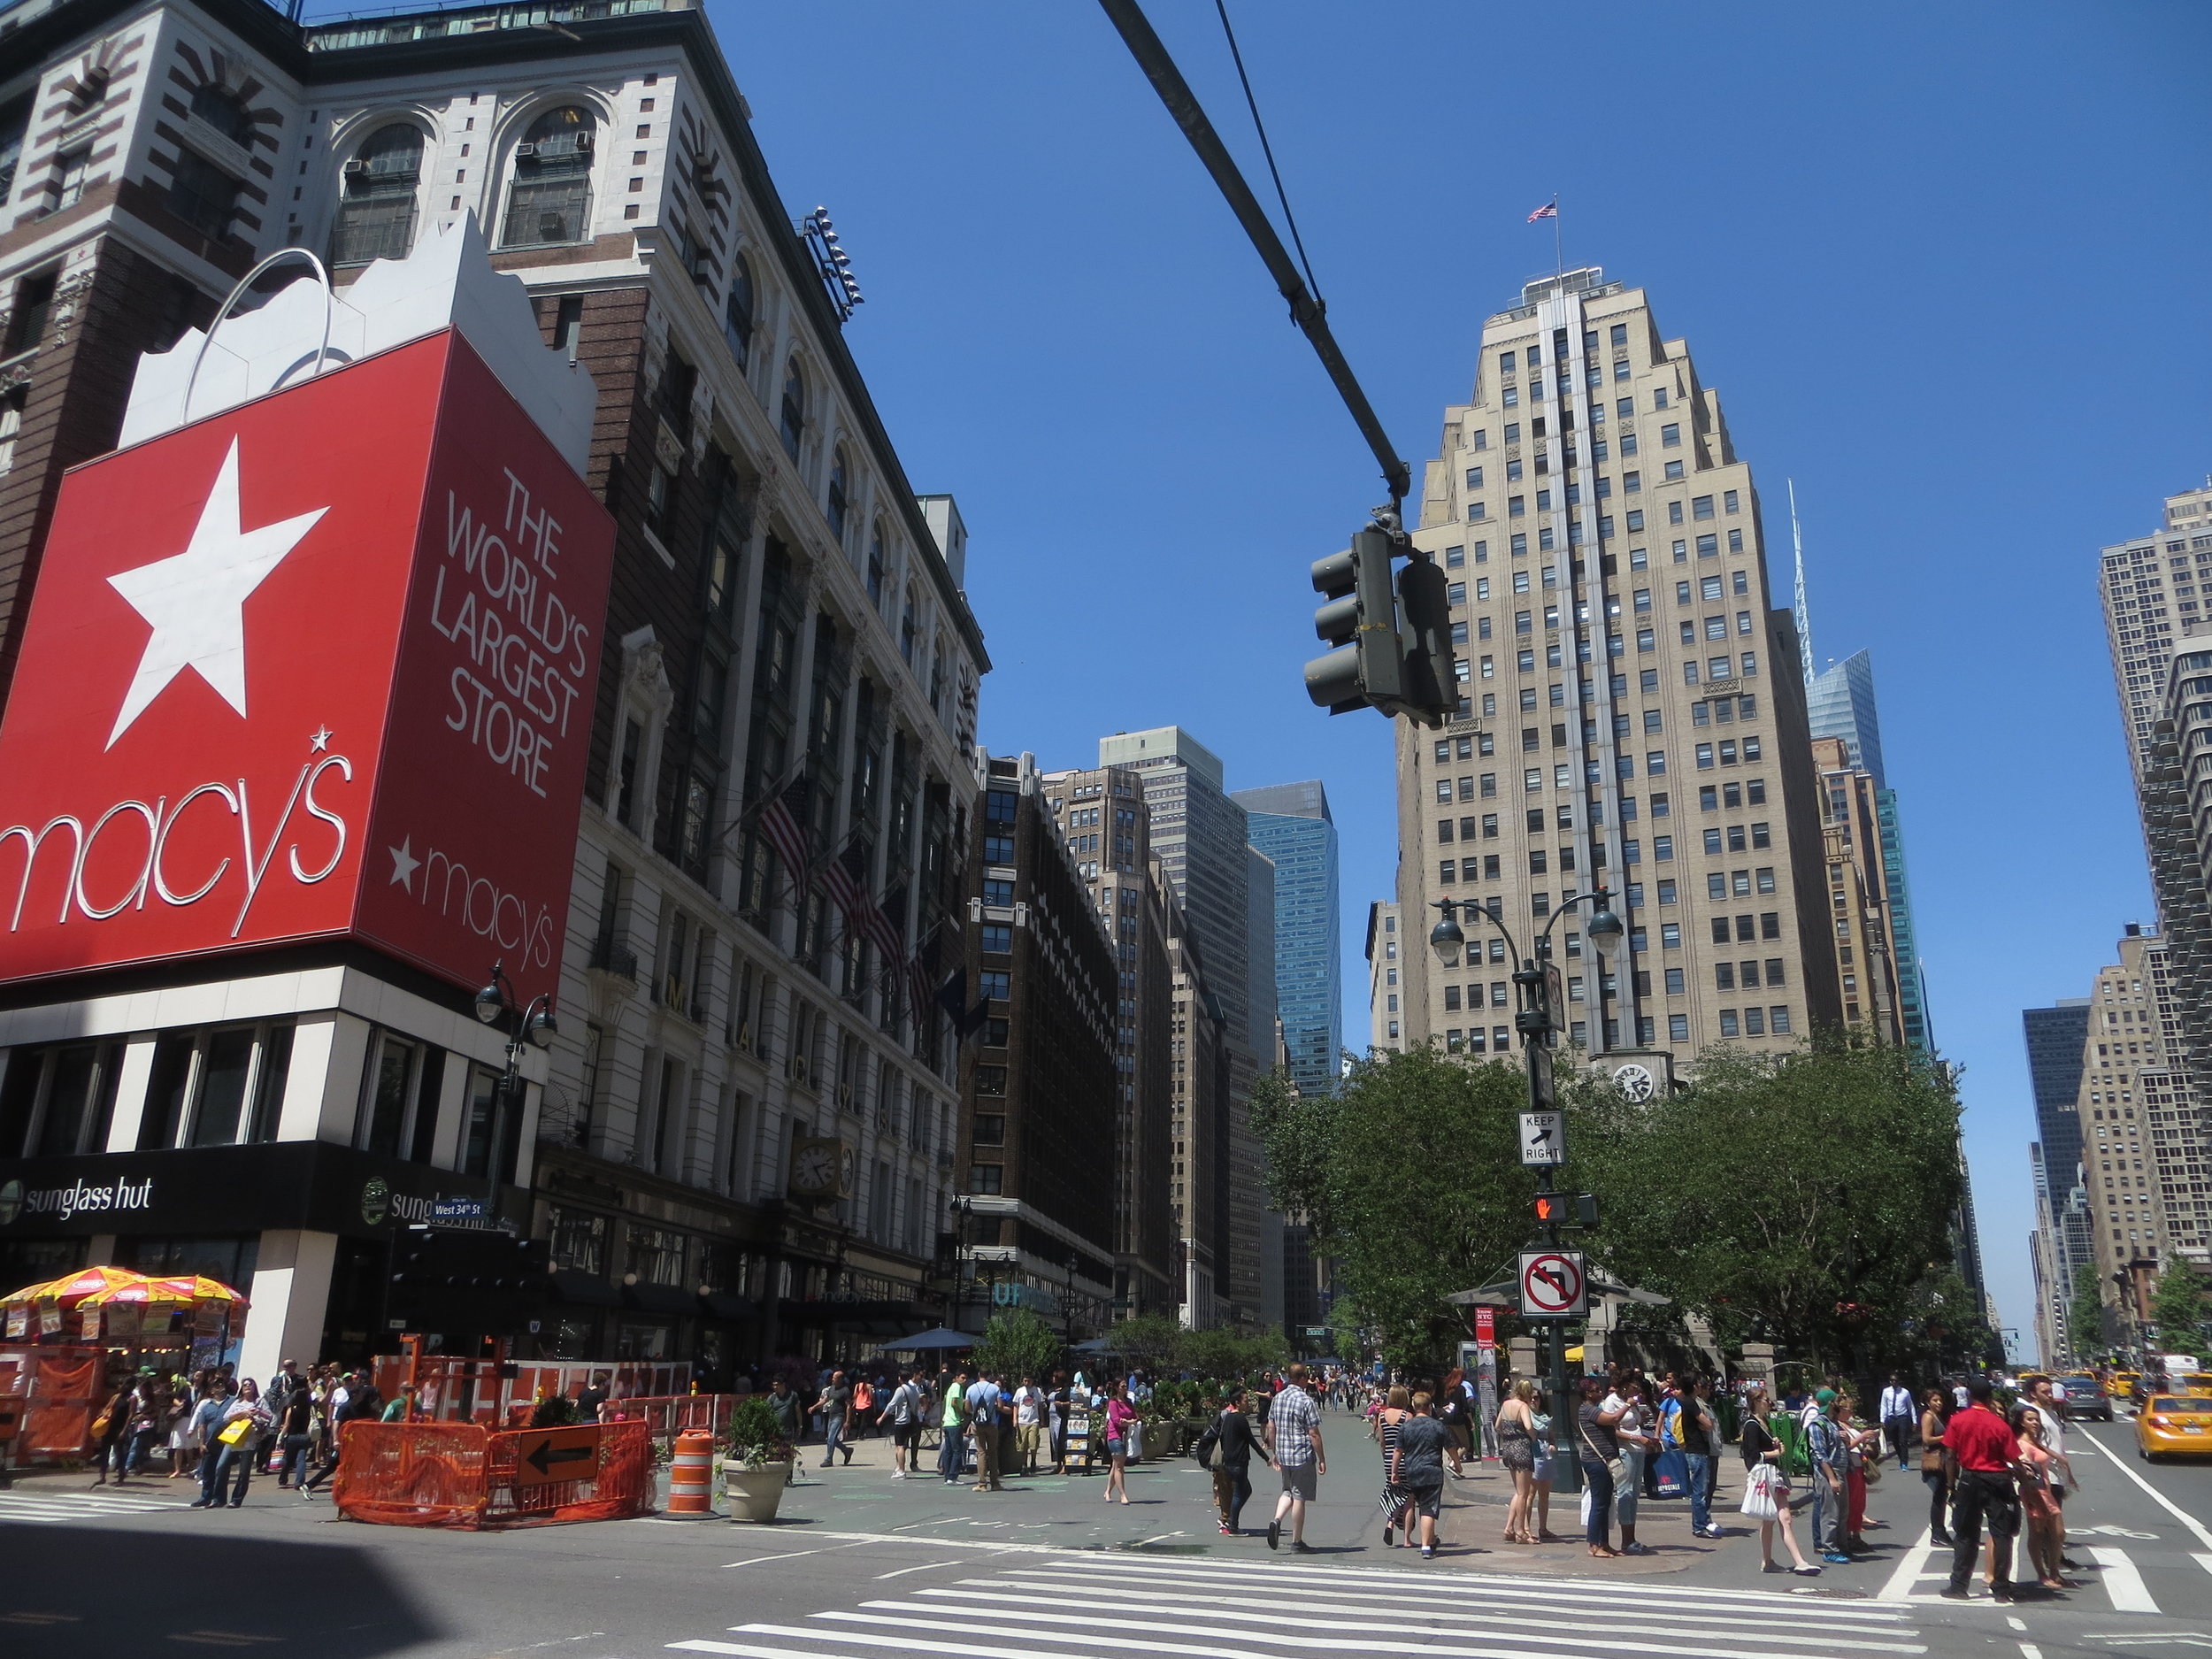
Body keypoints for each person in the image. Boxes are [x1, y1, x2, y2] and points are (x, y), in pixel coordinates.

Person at [1940, 1378, 2023, 1601]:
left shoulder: (1958, 1420)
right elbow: (2014, 1458)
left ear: (1969, 1396)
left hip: (1969, 1479)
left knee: (1966, 1533)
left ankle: (1958, 1586)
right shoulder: (1999, 1424)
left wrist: (1951, 1485)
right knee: (2001, 1534)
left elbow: (1950, 1454)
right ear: (1990, 1398)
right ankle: (2001, 1588)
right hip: (1997, 1480)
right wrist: (2024, 1481)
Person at [1740, 1384, 1818, 1575]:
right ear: (1756, 1402)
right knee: (1777, 1518)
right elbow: (1750, 1455)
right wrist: (1775, 1452)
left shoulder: (1762, 1422)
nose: (1770, 1403)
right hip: (1766, 1476)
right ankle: (1795, 1561)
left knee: (1779, 1518)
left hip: (1773, 1476)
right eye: (1766, 1400)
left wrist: (1774, 1445)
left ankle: (1771, 1561)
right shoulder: (1752, 1425)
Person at [1263, 1363, 1325, 1554]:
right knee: (1300, 1497)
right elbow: (1313, 1433)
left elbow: (1271, 1428)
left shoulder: (1278, 1398)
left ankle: (1277, 1519)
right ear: (1301, 1378)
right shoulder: (1306, 1401)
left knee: (1287, 1491)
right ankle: (1297, 1541)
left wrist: (1275, 1452)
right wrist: (1321, 1458)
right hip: (1301, 1453)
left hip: (1283, 1453)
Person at [2023, 1374, 2081, 1571]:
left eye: (2050, 1391)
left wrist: (2069, 1472)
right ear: (2033, 1394)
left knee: (2053, 1523)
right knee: (2051, 1526)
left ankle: (2055, 1558)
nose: (2050, 1395)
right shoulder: (2033, 1414)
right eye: (2044, 1392)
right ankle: (2051, 1561)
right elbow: (2031, 1442)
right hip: (2046, 1475)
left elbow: (2059, 1445)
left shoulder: (2052, 1414)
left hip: (2058, 1474)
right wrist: (2054, 1457)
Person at [2011, 1405, 2072, 1592]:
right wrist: (2031, 1497)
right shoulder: (2023, 1444)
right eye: (2030, 1419)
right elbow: (2024, 1472)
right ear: (2022, 1422)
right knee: (2037, 1534)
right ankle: (2043, 1574)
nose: (2035, 1423)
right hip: (2035, 1492)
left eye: (2036, 1419)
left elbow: (2046, 1453)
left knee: (2058, 1533)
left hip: (2046, 1490)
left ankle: (2054, 1572)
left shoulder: (2034, 1441)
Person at [1391, 1392, 1452, 1559]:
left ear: (1414, 1405)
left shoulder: (1407, 1426)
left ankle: (1431, 1539)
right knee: (1428, 1510)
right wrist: (1457, 1463)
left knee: (1423, 1507)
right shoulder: (1438, 1426)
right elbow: (1451, 1446)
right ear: (1429, 1406)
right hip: (1432, 1471)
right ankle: (1426, 1547)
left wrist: (1394, 1472)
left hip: (1412, 1471)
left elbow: (1398, 1450)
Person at [1575, 1376, 1624, 1559]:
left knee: (1605, 1504)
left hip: (1605, 1461)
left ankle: (1604, 1543)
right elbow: (1613, 1418)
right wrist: (1628, 1404)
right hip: (1596, 1462)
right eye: (1596, 1390)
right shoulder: (1588, 1410)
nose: (1600, 1392)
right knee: (1599, 1504)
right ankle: (1594, 1545)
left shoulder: (1593, 1409)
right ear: (1588, 1393)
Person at [1205, 1385, 1264, 1535]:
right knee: (1238, 1493)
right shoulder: (1238, 1418)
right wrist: (1266, 1458)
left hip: (1228, 1461)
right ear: (1237, 1402)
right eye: (1245, 1400)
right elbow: (1251, 1440)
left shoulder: (1228, 1417)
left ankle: (1230, 1519)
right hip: (1238, 1462)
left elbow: (1224, 1438)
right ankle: (1231, 1523)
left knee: (1245, 1490)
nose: (1248, 1403)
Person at [1804, 1388, 1852, 1564]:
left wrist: (1846, 1440)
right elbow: (1820, 1454)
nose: (1840, 1403)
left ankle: (1842, 1546)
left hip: (1841, 1471)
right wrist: (1831, 1478)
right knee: (1830, 1514)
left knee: (1843, 1513)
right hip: (1828, 1474)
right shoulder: (1818, 1424)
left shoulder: (1834, 1422)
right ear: (1831, 1403)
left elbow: (1840, 1447)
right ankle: (1829, 1549)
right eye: (1837, 1400)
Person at [210, 1379, 273, 1508]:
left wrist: (258, 1412)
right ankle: (218, 1498)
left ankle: (236, 1500)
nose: (248, 1386)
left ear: (255, 1387)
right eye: (245, 1385)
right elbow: (226, 1417)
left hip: (249, 1439)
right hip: (234, 1437)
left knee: (244, 1472)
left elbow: (270, 1417)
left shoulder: (259, 1401)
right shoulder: (237, 1402)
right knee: (221, 1466)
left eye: (250, 1384)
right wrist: (241, 1413)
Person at [1609, 1377, 1655, 1555]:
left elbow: (1633, 1423)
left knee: (1635, 1493)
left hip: (1638, 1450)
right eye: (1634, 1387)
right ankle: (1625, 1539)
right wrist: (1637, 1438)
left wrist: (1640, 1419)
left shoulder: (1632, 1402)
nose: (1637, 1392)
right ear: (1624, 1386)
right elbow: (1613, 1429)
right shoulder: (1613, 1402)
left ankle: (1631, 1538)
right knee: (1625, 1492)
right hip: (1624, 1451)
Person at [1676, 1375, 1724, 1540]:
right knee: (1699, 1491)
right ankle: (1699, 1526)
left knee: (1701, 1489)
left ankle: (1702, 1523)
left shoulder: (1691, 1402)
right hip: (1696, 1450)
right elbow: (1708, 1424)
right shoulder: (1690, 1403)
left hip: (1698, 1450)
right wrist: (1703, 1424)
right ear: (1694, 1386)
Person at [1495, 1379, 1540, 1544]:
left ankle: (1509, 1527)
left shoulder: (1506, 1404)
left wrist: (1508, 1434)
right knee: (1524, 1493)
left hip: (1508, 1448)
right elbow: (1528, 1426)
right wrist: (1533, 1437)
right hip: (1521, 1448)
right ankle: (1521, 1531)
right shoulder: (1523, 1406)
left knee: (1518, 1491)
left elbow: (1497, 1426)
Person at [1375, 1386, 1414, 1548]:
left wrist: (1386, 1457)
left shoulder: (1382, 1415)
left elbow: (1382, 1442)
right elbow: (1411, 1441)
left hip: (1389, 1459)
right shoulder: (1408, 1416)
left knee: (1394, 1493)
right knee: (1409, 1498)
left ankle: (1390, 1523)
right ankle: (1407, 1539)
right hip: (1405, 1458)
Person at [1920, 1387, 1955, 1548]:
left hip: (1944, 1461)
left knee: (1942, 1497)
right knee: (1939, 1498)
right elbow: (1926, 1439)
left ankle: (1940, 1531)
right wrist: (1946, 1436)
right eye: (1935, 1400)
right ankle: (1937, 1532)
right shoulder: (1928, 1416)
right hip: (1934, 1463)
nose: (1939, 1403)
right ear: (1928, 1402)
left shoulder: (1940, 1416)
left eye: (1940, 1400)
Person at [879, 1366, 923, 1479]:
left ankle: (901, 1470)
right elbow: (917, 1405)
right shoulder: (914, 1389)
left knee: (900, 1447)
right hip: (911, 1420)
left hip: (902, 1420)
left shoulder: (901, 1390)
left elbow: (891, 1405)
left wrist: (882, 1417)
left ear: (900, 1378)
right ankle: (898, 1467)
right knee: (902, 1445)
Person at [966, 1367, 1003, 1492]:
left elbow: (967, 1407)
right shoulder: (994, 1388)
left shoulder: (971, 1389)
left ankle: (982, 1483)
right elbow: (1001, 1406)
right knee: (993, 1452)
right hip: (991, 1423)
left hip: (977, 1424)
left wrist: (975, 1412)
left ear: (978, 1374)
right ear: (989, 1375)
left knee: (981, 1452)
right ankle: (995, 1483)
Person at [274, 1373, 315, 1487]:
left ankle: (283, 1478)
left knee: (288, 1458)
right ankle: (299, 1481)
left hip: (292, 1436)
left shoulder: (292, 1408)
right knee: (301, 1459)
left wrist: (280, 1437)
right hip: (304, 1435)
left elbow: (287, 1424)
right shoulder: (308, 1405)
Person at [1102, 1379, 1136, 1504]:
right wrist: (1129, 1422)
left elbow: (1134, 1416)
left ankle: (1107, 1491)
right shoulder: (1113, 1403)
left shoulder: (1128, 1402)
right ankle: (1123, 1495)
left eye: (1126, 1386)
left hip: (1125, 1436)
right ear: (1117, 1388)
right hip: (1114, 1436)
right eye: (1122, 1386)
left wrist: (1129, 1421)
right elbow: (1117, 1420)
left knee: (1116, 1465)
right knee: (1120, 1467)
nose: (1125, 1388)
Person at [814, 1371, 854, 1468]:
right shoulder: (832, 1389)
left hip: (839, 1416)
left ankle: (828, 1459)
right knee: (832, 1439)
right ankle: (847, 1451)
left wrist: (848, 1421)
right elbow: (825, 1399)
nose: (832, 1379)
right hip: (831, 1416)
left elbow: (849, 1406)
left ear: (841, 1379)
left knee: (831, 1437)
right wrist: (814, 1407)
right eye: (833, 1377)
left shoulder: (845, 1391)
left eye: (835, 1378)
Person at [937, 1367, 971, 1484]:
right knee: (957, 1451)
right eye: (962, 1378)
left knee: (949, 1451)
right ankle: (953, 1476)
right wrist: (962, 1414)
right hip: (954, 1422)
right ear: (956, 1378)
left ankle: (947, 1476)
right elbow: (954, 1402)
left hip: (947, 1422)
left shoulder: (950, 1388)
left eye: (966, 1378)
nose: (964, 1380)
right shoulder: (957, 1387)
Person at [1879, 1374, 1916, 1471]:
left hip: (1902, 1417)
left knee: (1903, 1440)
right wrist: (1882, 1420)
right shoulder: (1886, 1392)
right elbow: (1884, 1406)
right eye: (1892, 1381)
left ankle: (1904, 1463)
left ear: (1899, 1381)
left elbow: (1910, 1406)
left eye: (1895, 1381)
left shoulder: (1905, 1392)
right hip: (1891, 1418)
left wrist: (1914, 1421)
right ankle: (1901, 1458)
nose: (1894, 1382)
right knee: (1894, 1440)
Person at [1013, 1375, 1044, 1475]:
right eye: (1025, 1381)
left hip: (1033, 1420)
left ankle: (1033, 1461)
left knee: (1033, 1443)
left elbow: (1040, 1406)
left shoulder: (1037, 1391)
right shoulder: (1020, 1391)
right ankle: (1024, 1464)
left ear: (1032, 1381)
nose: (1026, 1383)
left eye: (1028, 1381)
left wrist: (1042, 1420)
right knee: (1022, 1445)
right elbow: (1016, 1406)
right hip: (1022, 1421)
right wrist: (1015, 1419)